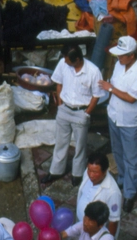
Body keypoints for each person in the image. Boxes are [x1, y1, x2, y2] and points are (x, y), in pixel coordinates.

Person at [99, 36, 137, 212]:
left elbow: (130, 98)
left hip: (130, 122)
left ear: (131, 55)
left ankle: (129, 193)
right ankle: (122, 179)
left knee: (132, 159)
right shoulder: (119, 66)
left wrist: (110, 89)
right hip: (114, 116)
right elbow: (112, 83)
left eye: (121, 55)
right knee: (117, 151)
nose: (118, 58)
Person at [39, 44, 104, 185]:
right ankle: (56, 171)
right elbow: (59, 83)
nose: (64, 61)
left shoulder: (93, 71)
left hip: (81, 112)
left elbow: (96, 96)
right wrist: (60, 104)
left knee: (80, 146)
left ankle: (77, 174)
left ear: (78, 60)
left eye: (67, 59)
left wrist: (86, 114)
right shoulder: (63, 63)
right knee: (60, 142)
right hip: (64, 109)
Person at [77, 152, 122, 236]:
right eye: (89, 170)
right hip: (81, 226)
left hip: (95, 234)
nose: (90, 175)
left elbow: (113, 221)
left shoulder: (113, 192)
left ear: (104, 171)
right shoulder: (87, 173)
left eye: (95, 172)